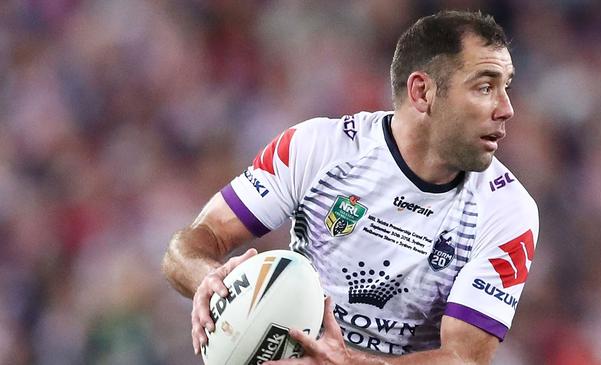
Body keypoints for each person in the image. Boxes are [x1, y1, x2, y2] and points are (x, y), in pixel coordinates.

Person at [162, 10, 539, 365]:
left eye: (505, 87)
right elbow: (194, 242)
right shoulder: (317, 148)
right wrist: (207, 279)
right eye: (485, 87)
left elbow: (464, 357)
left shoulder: (506, 210)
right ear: (422, 92)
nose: (506, 108)